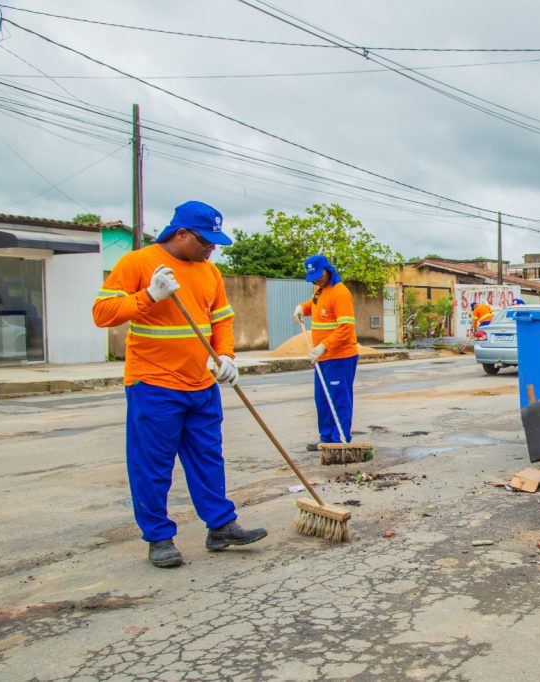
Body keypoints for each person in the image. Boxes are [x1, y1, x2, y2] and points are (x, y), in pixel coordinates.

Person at [92, 201, 266, 569]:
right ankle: (158, 537)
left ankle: (220, 526)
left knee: (208, 457)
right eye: (206, 241)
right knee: (153, 465)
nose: (212, 249)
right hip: (153, 383)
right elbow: (102, 313)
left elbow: (221, 321)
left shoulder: (210, 273)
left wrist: (226, 358)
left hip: (201, 383)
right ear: (182, 233)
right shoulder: (137, 264)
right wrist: (148, 296)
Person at [294, 254, 359, 447]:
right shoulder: (319, 290)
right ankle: (326, 440)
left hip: (340, 357)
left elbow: (346, 329)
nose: (317, 279)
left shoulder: (340, 293)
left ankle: (339, 440)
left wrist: (324, 345)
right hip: (322, 357)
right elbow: (315, 306)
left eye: (319, 275)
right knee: (322, 399)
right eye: (313, 276)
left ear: (328, 269)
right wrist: (301, 308)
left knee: (338, 399)